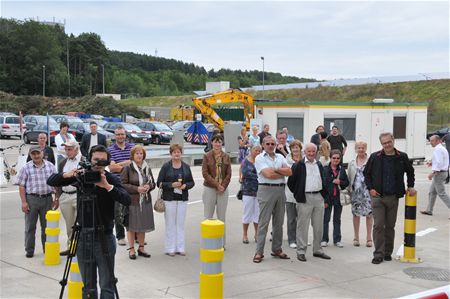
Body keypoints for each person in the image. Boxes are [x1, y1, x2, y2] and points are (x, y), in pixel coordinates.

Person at [47, 145, 131, 298]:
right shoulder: (82, 176)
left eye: (102, 161)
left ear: (108, 162)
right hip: (83, 236)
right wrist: (67, 175)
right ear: (89, 160)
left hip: (104, 236)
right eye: (95, 160)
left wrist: (107, 186)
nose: (98, 164)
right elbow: (51, 180)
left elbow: (127, 199)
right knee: (88, 286)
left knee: (107, 285)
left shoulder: (109, 178)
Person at [364, 132, 415, 264]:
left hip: (393, 197)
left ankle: (387, 252)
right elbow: (366, 174)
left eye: (388, 142)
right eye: (384, 143)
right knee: (379, 225)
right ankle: (378, 254)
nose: (387, 145)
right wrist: (371, 189)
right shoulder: (375, 156)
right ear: (381, 144)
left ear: (393, 140)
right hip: (378, 197)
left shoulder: (402, 157)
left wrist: (410, 186)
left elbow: (410, 172)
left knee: (390, 226)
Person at [287, 143, 330, 262]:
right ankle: (301, 251)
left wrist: (323, 196)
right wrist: (298, 194)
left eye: (313, 152)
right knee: (302, 227)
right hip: (304, 198)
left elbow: (323, 180)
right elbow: (291, 183)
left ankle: (317, 250)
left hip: (318, 197)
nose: (311, 154)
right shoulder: (298, 165)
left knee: (318, 226)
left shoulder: (319, 164)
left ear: (316, 152)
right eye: (309, 151)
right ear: (304, 152)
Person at [253, 135, 292, 263]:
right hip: (266, 190)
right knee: (263, 222)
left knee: (278, 223)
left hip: (280, 190)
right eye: (268, 144)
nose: (270, 146)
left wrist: (275, 169)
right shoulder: (259, 158)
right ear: (263, 145)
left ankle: (277, 249)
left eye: (272, 144)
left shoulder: (280, 157)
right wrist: (280, 172)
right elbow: (267, 175)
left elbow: (290, 172)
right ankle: (259, 252)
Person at [16, 146, 58, 258]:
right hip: (32, 200)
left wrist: (56, 198)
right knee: (30, 227)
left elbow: (56, 183)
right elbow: (21, 186)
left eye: (38, 153)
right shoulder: (26, 167)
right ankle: (29, 250)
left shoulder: (50, 166)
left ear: (42, 153)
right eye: (33, 154)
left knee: (47, 227)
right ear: (30, 155)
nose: (36, 156)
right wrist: (24, 202)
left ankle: (47, 249)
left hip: (47, 199)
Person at [157, 144, 195, 256]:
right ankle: (170, 248)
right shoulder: (166, 167)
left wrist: (185, 186)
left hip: (182, 199)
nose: (177, 154)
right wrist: (171, 185)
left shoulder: (186, 167)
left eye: (178, 152)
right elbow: (159, 183)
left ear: (181, 153)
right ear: (171, 154)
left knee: (180, 224)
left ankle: (180, 247)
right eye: (174, 152)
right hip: (169, 199)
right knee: (170, 224)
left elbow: (192, 182)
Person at [121, 145, 155, 259]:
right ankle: (131, 250)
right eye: (137, 153)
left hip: (145, 201)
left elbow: (153, 183)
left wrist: (148, 186)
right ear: (133, 155)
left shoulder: (147, 168)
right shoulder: (128, 168)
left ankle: (141, 248)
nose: (139, 155)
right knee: (131, 226)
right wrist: (137, 189)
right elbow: (123, 184)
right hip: (132, 202)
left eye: (141, 153)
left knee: (143, 225)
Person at [201, 134, 232, 246]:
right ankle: (207, 242)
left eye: (219, 142)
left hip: (223, 189)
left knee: (222, 217)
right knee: (208, 216)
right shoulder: (207, 156)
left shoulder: (226, 156)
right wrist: (216, 185)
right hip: (210, 188)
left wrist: (223, 186)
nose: (217, 144)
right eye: (215, 142)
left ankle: (221, 243)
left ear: (222, 143)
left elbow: (229, 174)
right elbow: (205, 173)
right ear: (211, 143)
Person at [55, 140, 83, 256]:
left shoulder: (83, 160)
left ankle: (80, 249)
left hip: (78, 195)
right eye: (66, 149)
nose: (67, 151)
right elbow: (58, 180)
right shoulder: (62, 162)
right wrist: (58, 197)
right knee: (69, 225)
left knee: (80, 224)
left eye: (69, 149)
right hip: (65, 196)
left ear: (76, 149)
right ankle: (71, 247)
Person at [108, 125, 134, 246]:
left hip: (132, 183)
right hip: (118, 184)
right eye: (118, 134)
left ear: (125, 134)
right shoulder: (110, 150)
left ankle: (135, 235)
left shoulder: (132, 148)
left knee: (133, 211)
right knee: (118, 211)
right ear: (115, 136)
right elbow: (111, 168)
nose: (120, 136)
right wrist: (127, 164)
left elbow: (136, 163)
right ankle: (120, 236)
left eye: (122, 134)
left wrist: (119, 164)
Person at [321, 150, 349, 248]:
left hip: (338, 198)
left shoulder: (341, 170)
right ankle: (324, 239)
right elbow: (322, 185)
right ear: (330, 158)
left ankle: (337, 240)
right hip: (327, 198)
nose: (336, 160)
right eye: (334, 158)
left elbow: (347, 183)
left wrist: (340, 181)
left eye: (338, 158)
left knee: (337, 219)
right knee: (325, 219)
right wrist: (325, 200)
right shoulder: (324, 169)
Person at [347, 141, 373, 247]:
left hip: (367, 191)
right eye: (359, 148)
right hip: (356, 193)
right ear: (356, 149)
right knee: (356, 215)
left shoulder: (371, 161)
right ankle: (356, 237)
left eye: (363, 148)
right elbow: (349, 177)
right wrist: (349, 191)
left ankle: (369, 238)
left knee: (369, 215)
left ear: (365, 149)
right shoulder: (352, 163)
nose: (361, 149)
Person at [420, 135, 450, 215]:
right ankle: (429, 210)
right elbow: (440, 161)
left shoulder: (438, 149)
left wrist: (432, 173)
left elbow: (439, 163)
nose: (430, 143)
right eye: (430, 141)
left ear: (437, 141)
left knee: (441, 193)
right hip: (442, 172)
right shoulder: (441, 148)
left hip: (439, 173)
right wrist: (432, 162)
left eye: (432, 141)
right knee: (432, 192)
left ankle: (429, 210)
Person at [240, 145, 261, 244]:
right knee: (247, 213)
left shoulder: (261, 161)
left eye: (259, 151)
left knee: (257, 214)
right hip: (247, 191)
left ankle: (257, 234)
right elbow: (246, 173)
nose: (258, 152)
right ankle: (245, 234)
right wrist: (259, 175)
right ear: (251, 151)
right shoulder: (245, 161)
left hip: (259, 191)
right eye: (256, 150)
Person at [285, 140, 302, 249]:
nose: (295, 149)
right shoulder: (286, 161)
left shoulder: (304, 160)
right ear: (290, 149)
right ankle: (292, 239)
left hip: (302, 194)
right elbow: (287, 177)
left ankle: (301, 238)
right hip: (290, 194)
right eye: (293, 148)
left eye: (297, 147)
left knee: (302, 218)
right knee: (291, 219)